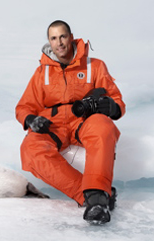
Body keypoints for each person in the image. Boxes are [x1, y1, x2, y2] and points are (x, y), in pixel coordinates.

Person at [15, 20, 125, 224]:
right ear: (49, 41)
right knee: (30, 150)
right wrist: (30, 119)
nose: (59, 43)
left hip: (83, 121)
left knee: (103, 128)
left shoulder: (95, 66)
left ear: (71, 36)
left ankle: (98, 200)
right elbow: (24, 106)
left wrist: (112, 107)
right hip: (52, 125)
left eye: (63, 36)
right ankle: (93, 198)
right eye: (54, 38)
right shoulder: (42, 73)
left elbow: (116, 99)